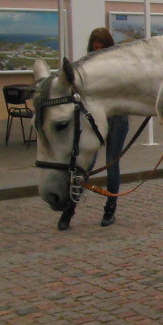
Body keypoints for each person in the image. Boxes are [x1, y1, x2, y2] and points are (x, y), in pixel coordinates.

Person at [57, 27, 127, 230]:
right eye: (95, 47)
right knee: (85, 163)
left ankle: (110, 207)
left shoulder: (117, 66)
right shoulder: (88, 65)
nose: (97, 51)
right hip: (94, 117)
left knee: (112, 164)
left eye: (101, 47)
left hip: (116, 118)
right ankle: (69, 209)